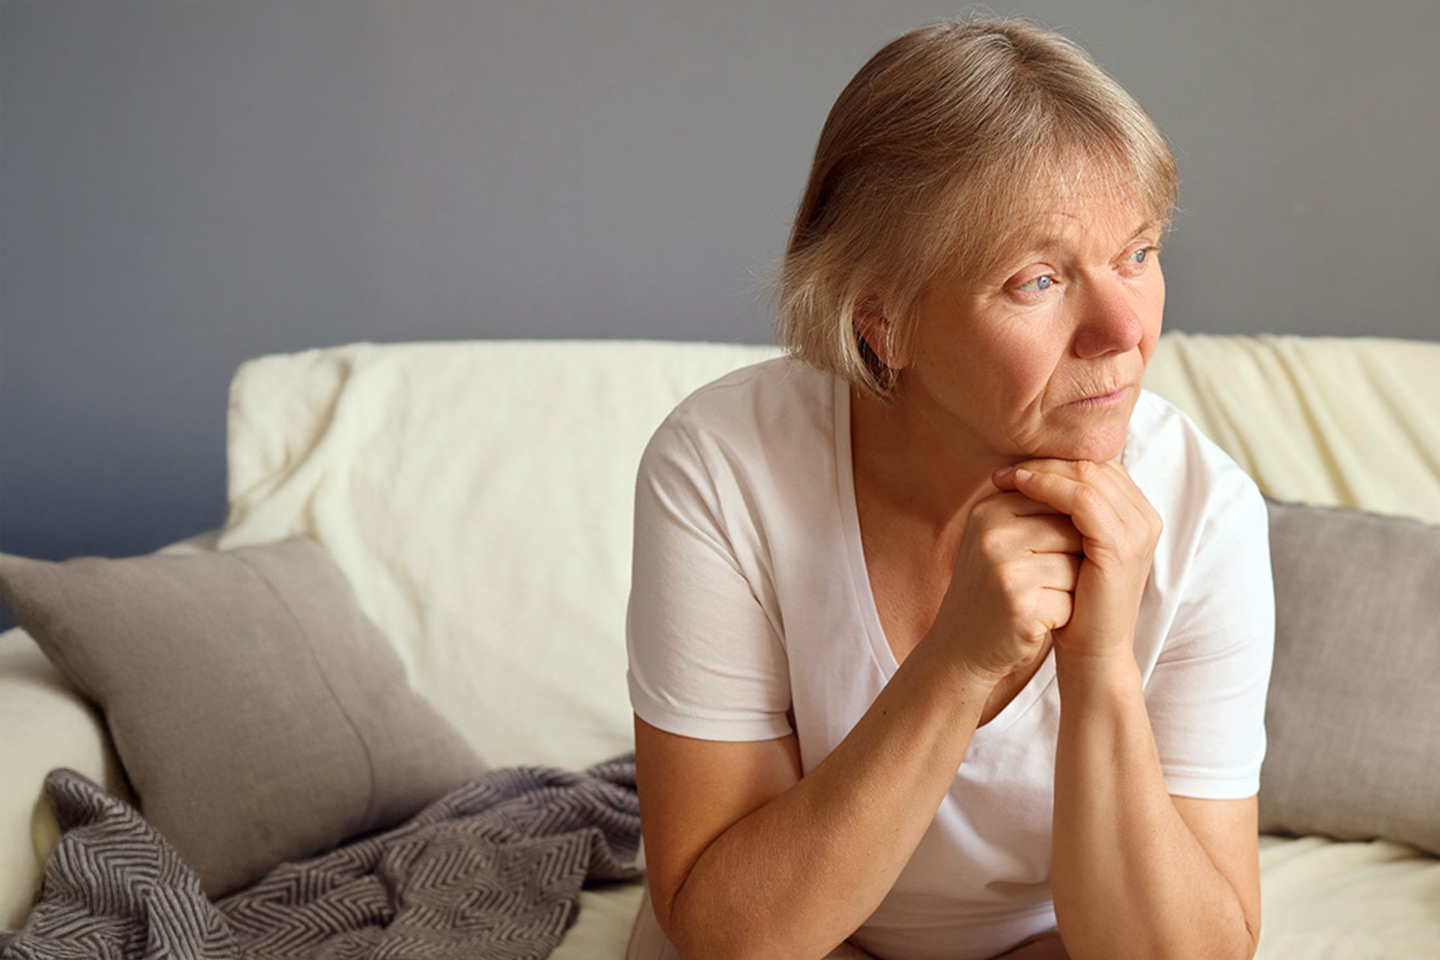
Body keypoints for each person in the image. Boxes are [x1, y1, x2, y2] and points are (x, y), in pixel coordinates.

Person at [624, 16, 1273, 960]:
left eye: (1137, 254)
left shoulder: (1207, 515)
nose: (1124, 330)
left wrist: (1098, 672)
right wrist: (957, 664)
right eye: (1038, 279)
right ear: (882, 321)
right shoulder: (723, 466)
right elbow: (731, 937)